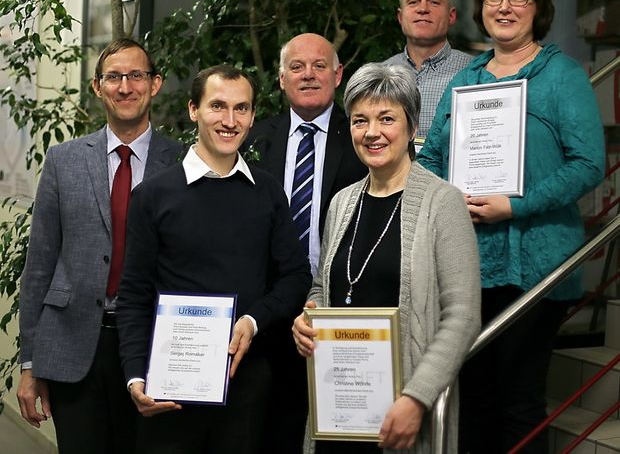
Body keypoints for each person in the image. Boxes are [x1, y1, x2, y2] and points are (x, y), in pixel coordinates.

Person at [417, 0, 605, 453]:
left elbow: (588, 163)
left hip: (537, 267)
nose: (505, 6)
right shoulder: (464, 80)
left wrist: (514, 205)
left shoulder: (562, 76)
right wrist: (449, 197)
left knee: (519, 400)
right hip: (469, 262)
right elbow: (431, 156)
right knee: (474, 396)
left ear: (538, 9)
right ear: (480, 8)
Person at [115, 65, 312, 454]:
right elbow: (135, 294)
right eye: (218, 106)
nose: (229, 120)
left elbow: (295, 276)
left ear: (253, 117)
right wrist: (135, 375)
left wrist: (254, 320)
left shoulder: (268, 192)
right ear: (193, 110)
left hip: (246, 385)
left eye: (242, 109)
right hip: (169, 384)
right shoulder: (153, 195)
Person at [293, 63, 481, 454]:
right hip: (339, 412)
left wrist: (417, 398)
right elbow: (322, 288)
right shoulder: (342, 202)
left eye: (386, 118)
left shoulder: (443, 203)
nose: (372, 132)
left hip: (404, 417)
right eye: (360, 120)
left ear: (412, 128)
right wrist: (309, 317)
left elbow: (463, 316)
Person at [17, 38, 182, 453]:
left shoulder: (184, 163)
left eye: (136, 75)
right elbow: (39, 265)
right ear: (97, 87)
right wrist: (30, 363)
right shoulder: (63, 160)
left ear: (155, 83)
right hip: (73, 350)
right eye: (113, 77)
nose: (125, 87)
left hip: (152, 347)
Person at [246, 33, 367, 453]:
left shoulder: (362, 139)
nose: (308, 74)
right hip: (266, 309)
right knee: (268, 429)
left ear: (338, 75)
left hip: (336, 308)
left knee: (336, 433)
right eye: (297, 67)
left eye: (319, 66)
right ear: (281, 79)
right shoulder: (253, 141)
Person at [384, 0, 472, 140]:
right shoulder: (380, 74)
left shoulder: (475, 73)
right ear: (400, 17)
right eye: (413, 2)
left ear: (451, 16)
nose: (423, 9)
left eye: (434, 2)